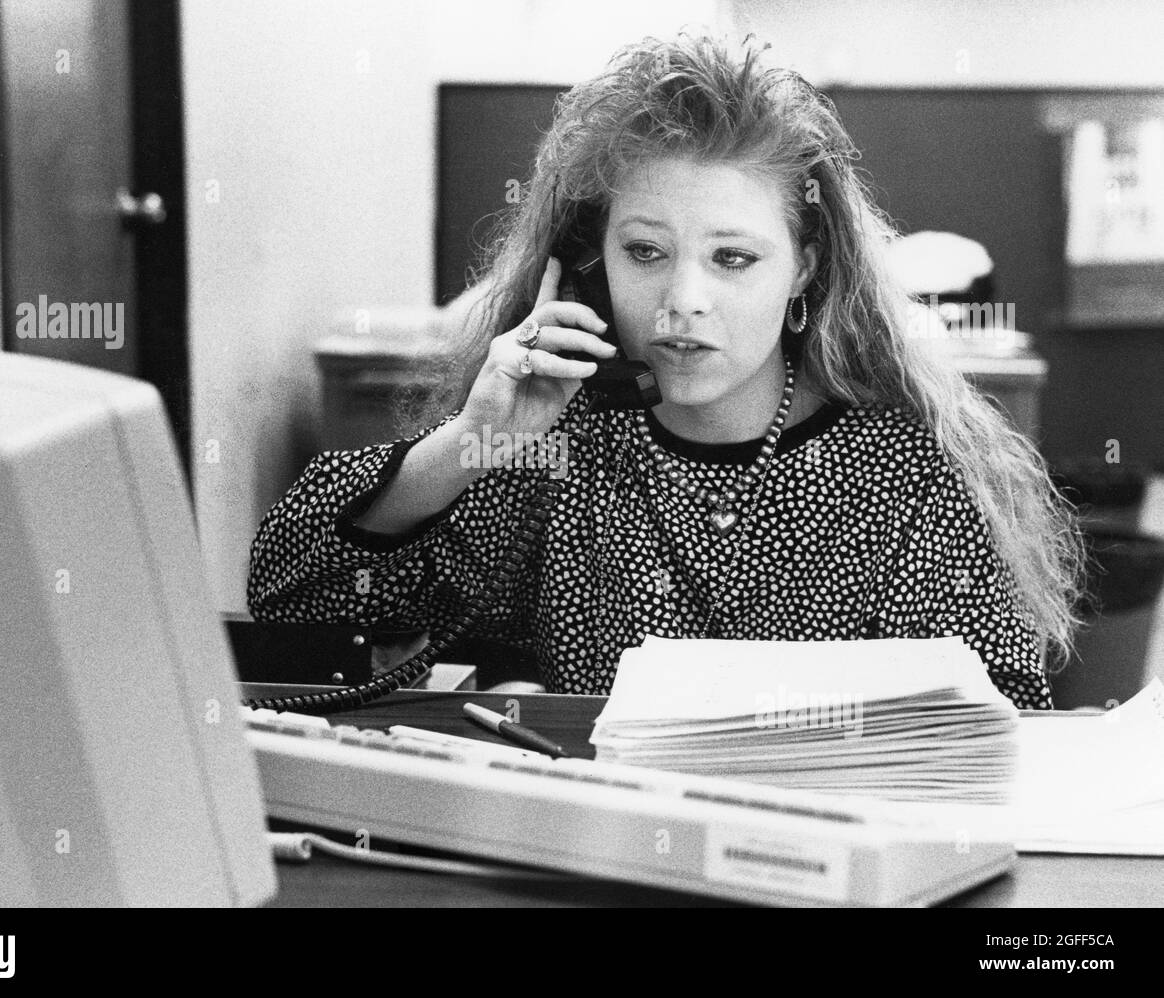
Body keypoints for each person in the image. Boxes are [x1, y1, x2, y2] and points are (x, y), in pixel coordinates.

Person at [248, 30, 1084, 709]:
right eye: (645, 251)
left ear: (804, 268)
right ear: (587, 266)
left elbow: (998, 720)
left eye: (733, 258)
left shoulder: (903, 466)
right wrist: (471, 442)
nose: (683, 299)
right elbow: (293, 594)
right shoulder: (551, 447)